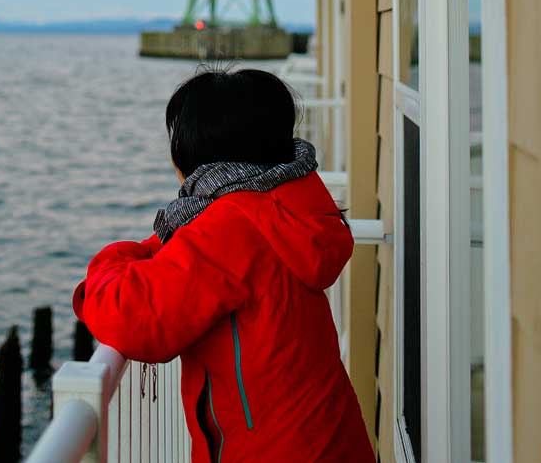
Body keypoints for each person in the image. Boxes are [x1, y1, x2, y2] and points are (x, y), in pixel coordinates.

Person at [72, 67, 375, 462]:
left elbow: (133, 318)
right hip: (328, 442)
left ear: (196, 152)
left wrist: (109, 261)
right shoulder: (284, 202)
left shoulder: (232, 224)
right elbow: (190, 255)